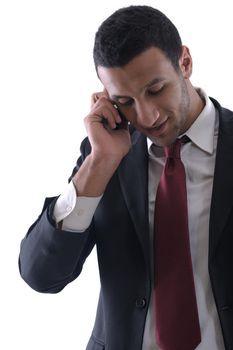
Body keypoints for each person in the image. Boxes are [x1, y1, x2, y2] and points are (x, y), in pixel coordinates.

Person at [19, 5, 233, 350]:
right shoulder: (107, 158)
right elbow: (42, 275)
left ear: (185, 62)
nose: (146, 116)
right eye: (125, 102)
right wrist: (100, 162)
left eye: (155, 89)